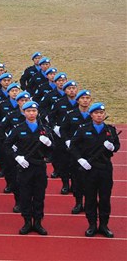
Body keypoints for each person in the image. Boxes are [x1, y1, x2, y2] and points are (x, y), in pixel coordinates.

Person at [69, 102, 120, 238]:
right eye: (96, 113)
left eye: (101, 113)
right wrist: (80, 159)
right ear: (91, 115)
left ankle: (104, 225)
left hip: (104, 168)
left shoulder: (110, 130)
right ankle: (92, 224)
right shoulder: (82, 129)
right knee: (90, 198)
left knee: (104, 198)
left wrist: (112, 147)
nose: (99, 115)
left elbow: (117, 145)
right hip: (89, 169)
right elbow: (73, 146)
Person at [5, 101, 54, 235]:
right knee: (25, 196)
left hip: (39, 166)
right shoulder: (18, 129)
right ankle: (27, 222)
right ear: (24, 113)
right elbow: (7, 145)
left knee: (39, 196)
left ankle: (38, 222)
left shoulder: (44, 129)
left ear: (37, 112)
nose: (31, 113)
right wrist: (17, 157)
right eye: (28, 111)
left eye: (34, 111)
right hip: (24, 167)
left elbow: (54, 149)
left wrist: (49, 143)